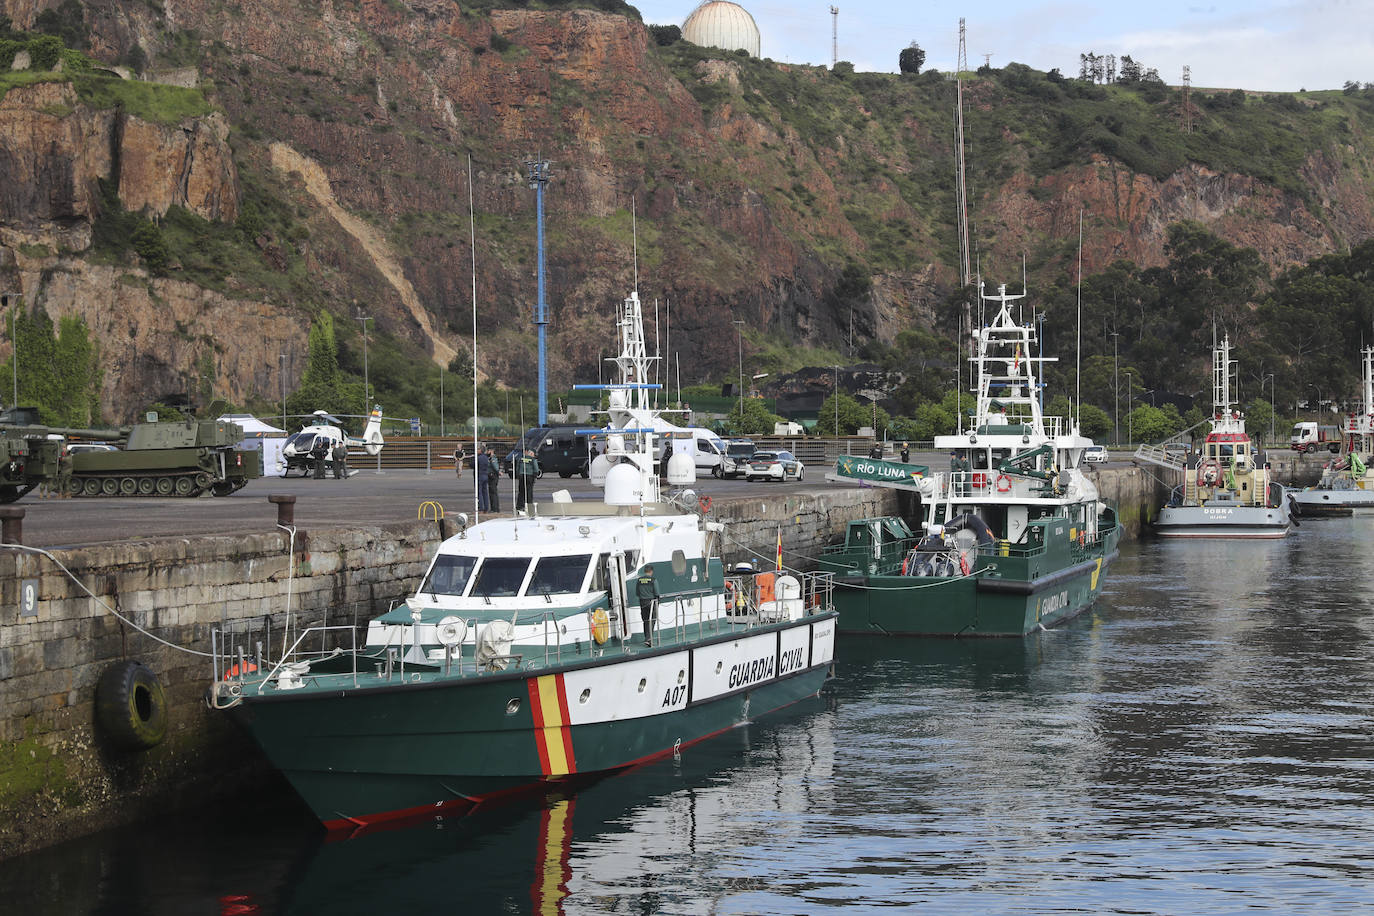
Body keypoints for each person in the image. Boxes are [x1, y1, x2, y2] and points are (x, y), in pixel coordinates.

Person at [635, 565, 659, 647]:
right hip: (651, 602)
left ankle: (647, 637)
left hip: (642, 602)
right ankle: (649, 639)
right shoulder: (653, 580)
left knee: (645, 620)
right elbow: (657, 593)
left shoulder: (639, 580)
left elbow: (637, 593)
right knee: (652, 620)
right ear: (651, 571)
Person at [516, 447, 540, 512]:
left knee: (521, 492)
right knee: (529, 492)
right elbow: (536, 469)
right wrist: (535, 476)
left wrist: (518, 475)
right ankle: (529, 506)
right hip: (529, 477)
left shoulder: (521, 458)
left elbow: (517, 467)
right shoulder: (532, 459)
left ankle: (519, 506)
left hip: (521, 476)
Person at [475, 445, 491, 511]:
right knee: (485, 492)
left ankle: (481, 507)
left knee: (480, 492)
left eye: (478, 449)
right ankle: (486, 507)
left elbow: (474, 464)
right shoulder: (486, 457)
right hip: (485, 475)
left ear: (480, 450)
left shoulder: (479, 458)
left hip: (480, 475)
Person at [486, 446, 501, 512]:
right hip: (491, 475)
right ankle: (493, 508)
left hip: (493, 476)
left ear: (491, 451)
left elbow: (495, 466)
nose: (487, 452)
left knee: (493, 492)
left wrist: (498, 471)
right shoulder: (490, 458)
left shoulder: (493, 458)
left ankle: (495, 508)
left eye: (488, 450)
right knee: (492, 492)